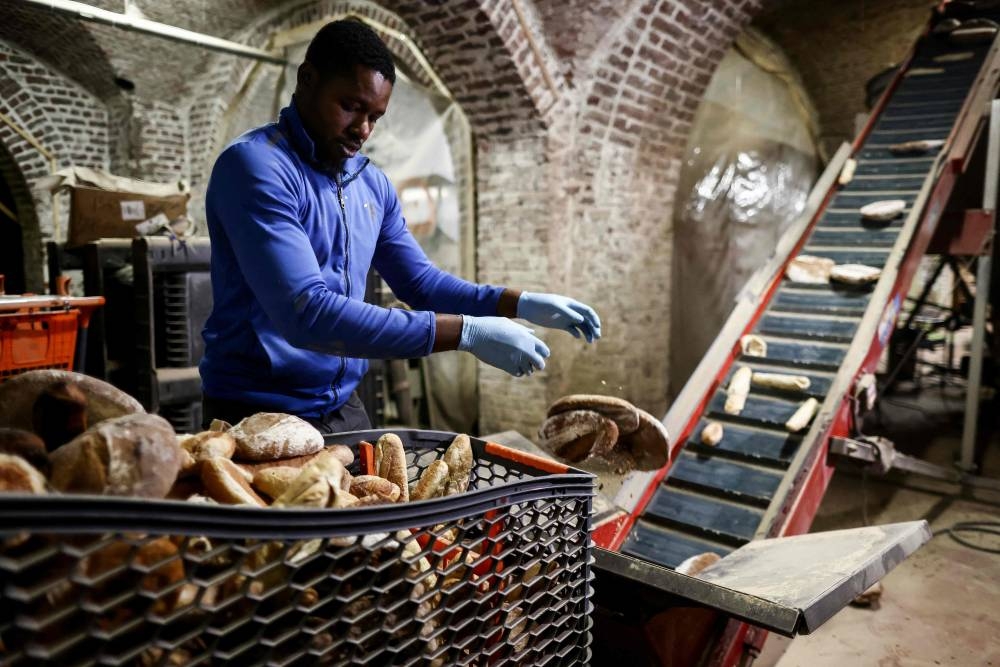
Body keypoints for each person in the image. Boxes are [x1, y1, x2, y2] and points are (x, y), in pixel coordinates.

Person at [199, 19, 600, 433]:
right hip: (257, 411)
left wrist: (518, 302)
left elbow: (420, 285)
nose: (363, 130)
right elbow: (308, 313)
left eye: (375, 116)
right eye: (351, 106)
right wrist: (466, 332)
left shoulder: (370, 184)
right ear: (307, 79)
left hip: (340, 406)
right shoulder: (257, 168)